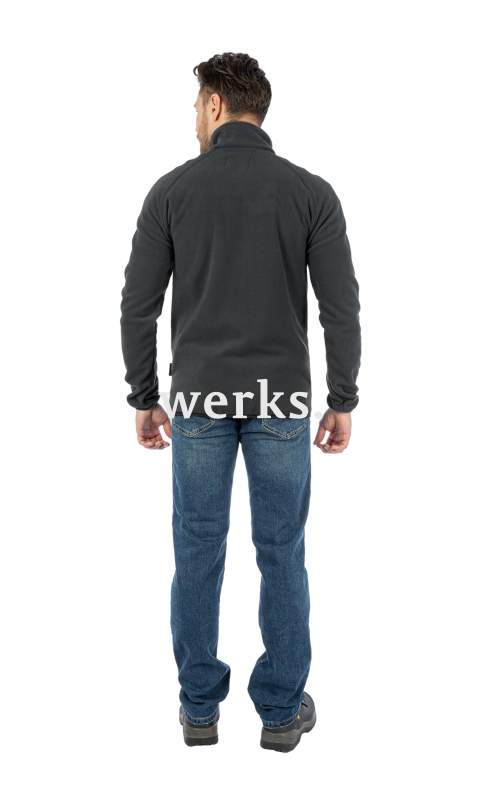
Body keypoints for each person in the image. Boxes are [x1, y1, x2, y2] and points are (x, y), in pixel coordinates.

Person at [119, 53, 361, 752]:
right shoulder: (311, 193)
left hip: (199, 398)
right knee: (282, 552)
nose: (194, 118)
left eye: (197, 105)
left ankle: (199, 708)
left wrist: (144, 395)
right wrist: (341, 397)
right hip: (280, 401)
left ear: (217, 105)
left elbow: (138, 306)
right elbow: (339, 309)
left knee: (197, 550)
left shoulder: (172, 191)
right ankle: (281, 713)